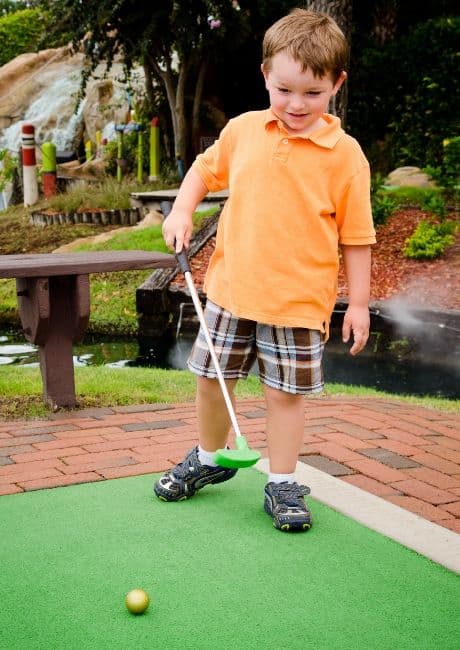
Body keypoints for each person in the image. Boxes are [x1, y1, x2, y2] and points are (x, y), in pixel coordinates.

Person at [154, 8, 376, 531]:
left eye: (313, 93)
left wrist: (360, 303)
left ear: (336, 85)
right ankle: (211, 458)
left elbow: (357, 237)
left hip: (298, 302)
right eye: (284, 90)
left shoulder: (346, 156)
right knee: (212, 382)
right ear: (265, 77)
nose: (297, 105)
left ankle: (282, 482)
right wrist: (182, 211)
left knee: (285, 395)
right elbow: (203, 173)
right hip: (231, 291)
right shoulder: (244, 131)